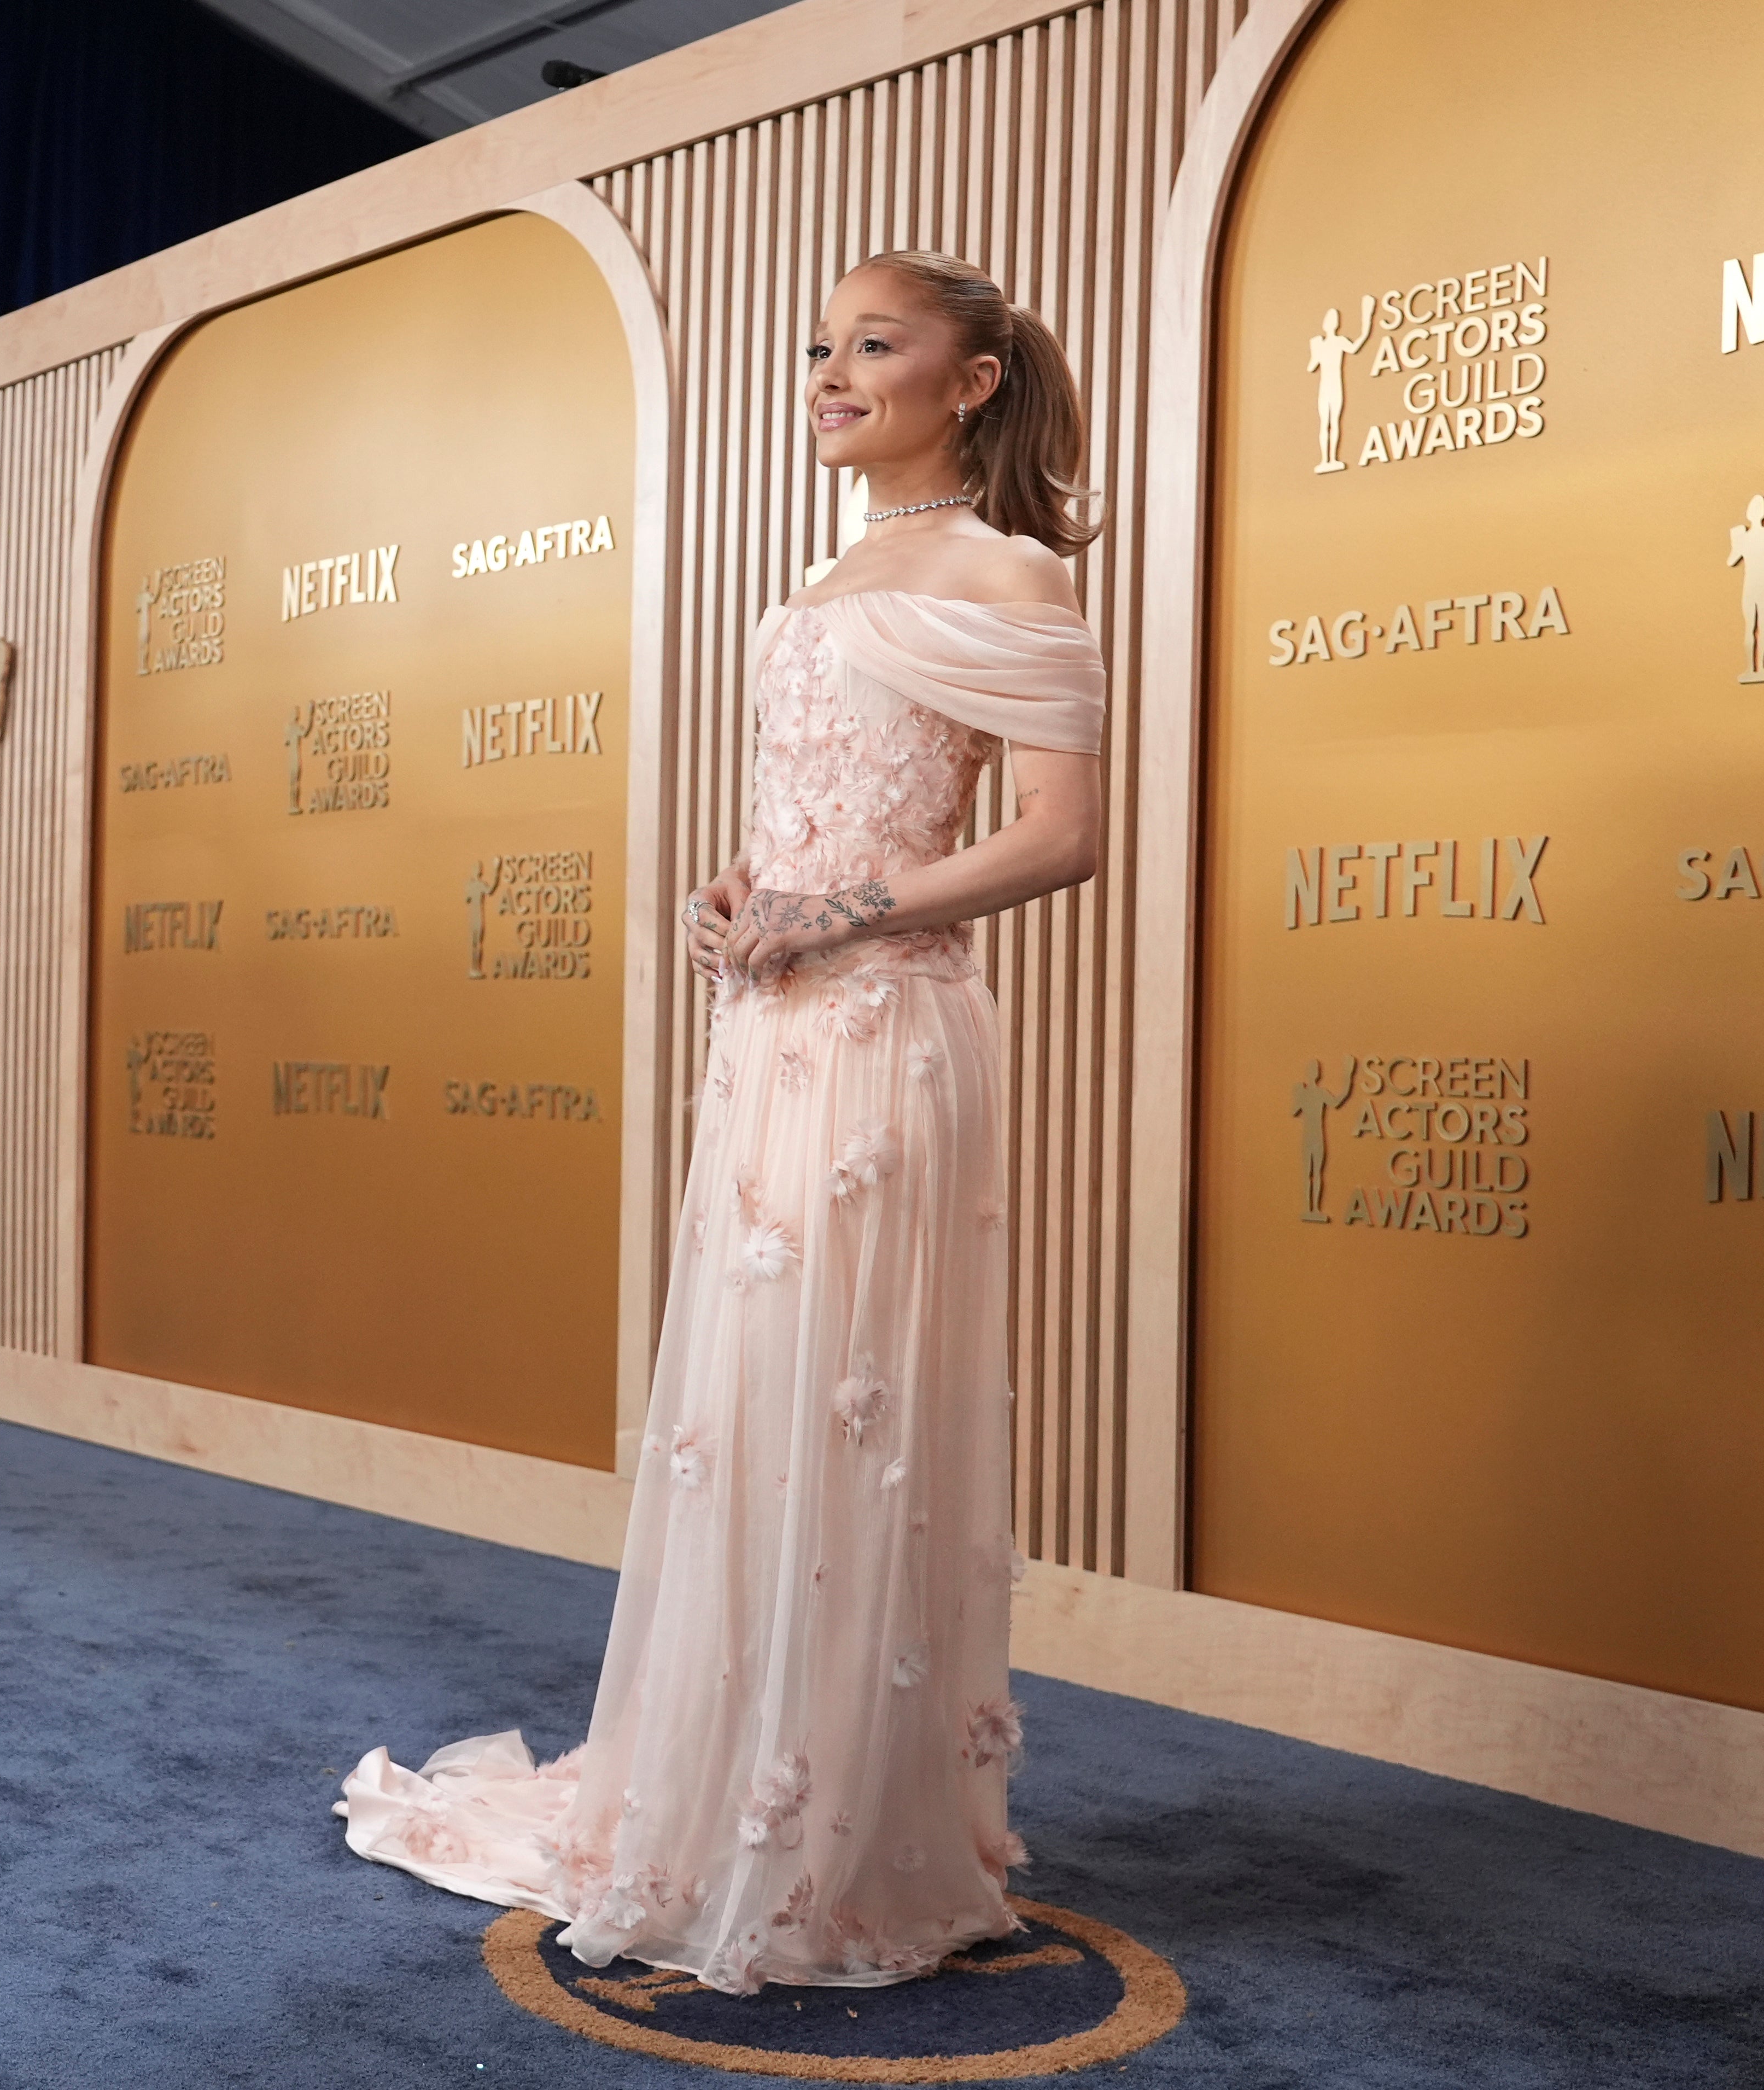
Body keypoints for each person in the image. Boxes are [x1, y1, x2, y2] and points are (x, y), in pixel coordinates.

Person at [337, 251, 1107, 1995]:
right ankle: (729, 1792)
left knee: (849, 1410)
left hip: (886, 1037)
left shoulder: (1012, 571)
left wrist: (844, 909)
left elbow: (1061, 836)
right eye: (819, 346)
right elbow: (818, 809)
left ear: (971, 381)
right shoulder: (833, 567)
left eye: (872, 345)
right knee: (747, 1410)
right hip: (771, 1026)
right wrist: (746, 889)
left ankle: (833, 1836)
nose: (830, 372)